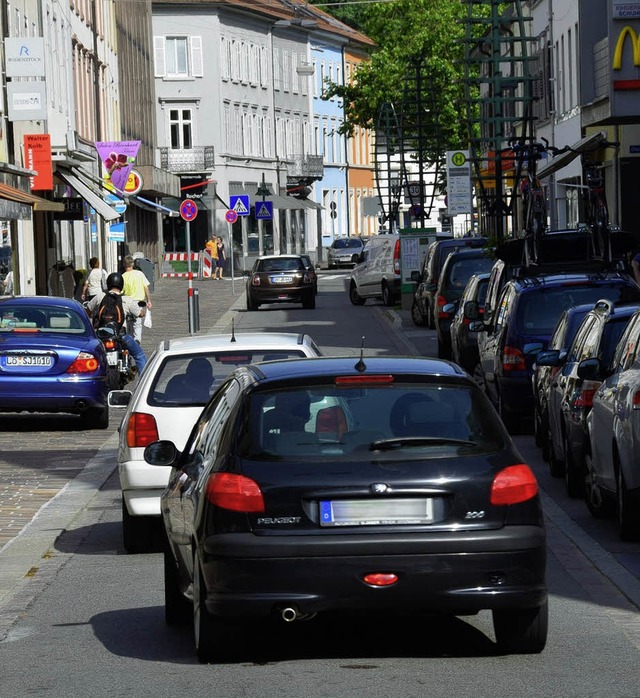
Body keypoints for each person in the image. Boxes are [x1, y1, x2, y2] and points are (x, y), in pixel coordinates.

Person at [84, 272, 148, 375]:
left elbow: (88, 310)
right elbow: (140, 313)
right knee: (139, 355)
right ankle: (145, 382)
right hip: (120, 335)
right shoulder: (126, 300)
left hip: (101, 335)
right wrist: (143, 311)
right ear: (121, 285)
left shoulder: (100, 296)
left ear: (108, 284)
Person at [122, 254, 152, 343]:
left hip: (127, 302)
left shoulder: (123, 276)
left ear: (124, 265)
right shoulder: (140, 274)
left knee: (128, 323)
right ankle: (137, 340)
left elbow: (121, 292)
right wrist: (149, 301)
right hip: (139, 302)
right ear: (133, 264)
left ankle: (130, 341)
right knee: (138, 324)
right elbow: (146, 287)